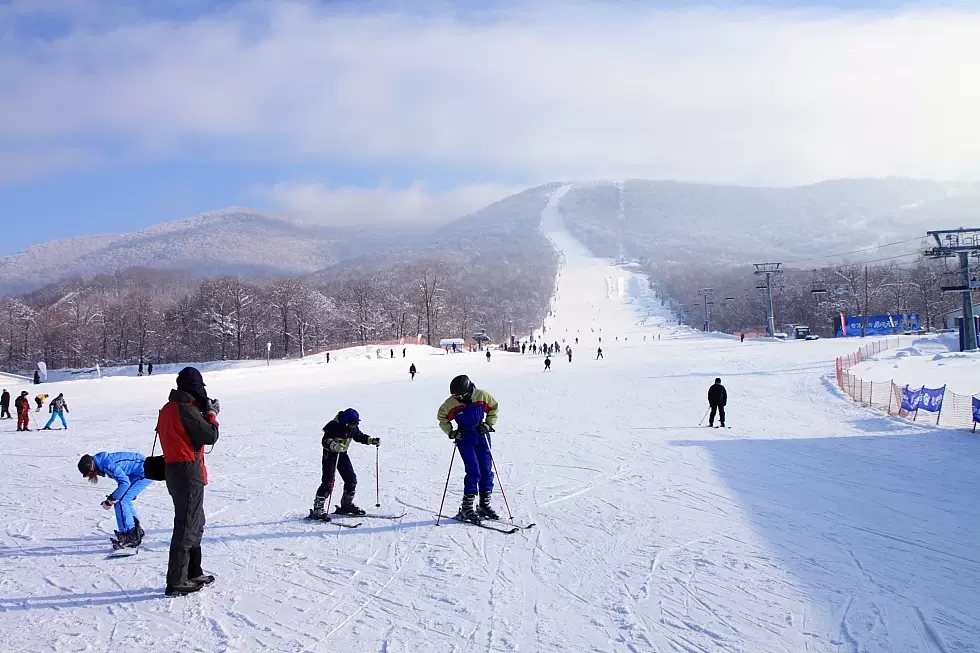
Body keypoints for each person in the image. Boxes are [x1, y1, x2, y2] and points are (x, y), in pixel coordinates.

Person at [156, 367, 220, 597]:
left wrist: (203, 413)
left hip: (176, 470)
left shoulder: (169, 408)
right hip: (186, 471)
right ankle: (177, 580)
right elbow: (209, 435)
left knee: (195, 521)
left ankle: (192, 571)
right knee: (187, 525)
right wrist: (211, 415)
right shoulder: (184, 410)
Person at [438, 375, 500, 523]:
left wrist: (488, 423)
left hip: (482, 435)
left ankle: (484, 505)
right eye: (455, 396)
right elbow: (442, 417)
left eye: (460, 396)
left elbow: (493, 407)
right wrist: (452, 432)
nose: (457, 399)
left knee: (486, 470)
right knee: (473, 470)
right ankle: (466, 508)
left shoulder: (481, 395)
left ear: (467, 392)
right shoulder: (451, 403)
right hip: (465, 437)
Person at [308, 409, 380, 519]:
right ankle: (318, 509)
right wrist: (334, 446)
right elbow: (325, 441)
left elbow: (359, 436)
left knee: (351, 479)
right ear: (345, 422)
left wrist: (371, 440)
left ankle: (346, 505)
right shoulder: (332, 426)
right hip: (330, 456)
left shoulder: (353, 428)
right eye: (352, 424)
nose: (354, 426)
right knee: (328, 482)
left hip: (342, 455)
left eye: (355, 424)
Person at [78, 452, 152, 549]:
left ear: (92, 467)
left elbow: (124, 483)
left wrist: (111, 500)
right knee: (123, 500)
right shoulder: (104, 463)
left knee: (121, 501)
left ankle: (130, 536)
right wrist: (116, 496)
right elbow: (124, 481)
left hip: (144, 472)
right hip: (139, 472)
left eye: (90, 474)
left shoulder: (108, 465)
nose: (91, 476)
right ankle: (135, 531)